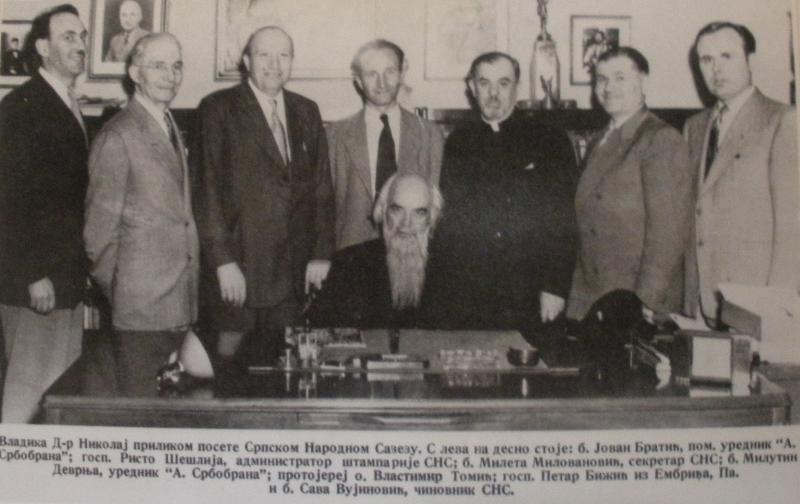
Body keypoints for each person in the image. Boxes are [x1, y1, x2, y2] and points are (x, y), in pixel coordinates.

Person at [192, 26, 334, 365]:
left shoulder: (307, 111)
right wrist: (223, 262)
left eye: (283, 55)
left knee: (284, 369)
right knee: (234, 371)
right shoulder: (217, 109)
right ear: (246, 61)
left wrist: (321, 253)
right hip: (239, 275)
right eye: (264, 55)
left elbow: (322, 190)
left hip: (293, 278)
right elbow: (206, 191)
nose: (274, 64)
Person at [84, 33, 199, 395]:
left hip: (180, 305)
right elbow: (98, 238)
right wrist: (128, 297)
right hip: (141, 315)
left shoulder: (168, 124)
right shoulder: (118, 136)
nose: (170, 75)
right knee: (144, 410)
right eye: (158, 66)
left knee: (174, 413)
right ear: (135, 73)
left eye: (176, 66)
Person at [433, 51, 578, 332]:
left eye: (503, 83)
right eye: (484, 83)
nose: (493, 94)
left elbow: (564, 220)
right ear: (472, 87)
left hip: (531, 289)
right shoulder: (458, 142)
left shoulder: (550, 139)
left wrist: (555, 287)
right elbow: (450, 221)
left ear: (517, 87)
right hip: (471, 289)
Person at [0, 4, 89, 422]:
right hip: (36, 287)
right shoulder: (22, 106)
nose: (81, 45)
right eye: (69, 37)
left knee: (56, 395)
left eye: (83, 36)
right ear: (42, 48)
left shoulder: (66, 102)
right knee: (26, 398)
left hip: (65, 280)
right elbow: (8, 199)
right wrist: (32, 273)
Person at [684, 22, 799, 323]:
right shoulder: (694, 127)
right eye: (706, 60)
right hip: (703, 303)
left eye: (727, 56)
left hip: (753, 302)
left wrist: (774, 307)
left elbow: (792, 228)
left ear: (751, 61)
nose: (716, 69)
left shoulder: (782, 120)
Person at [567, 47, 691, 319]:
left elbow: (668, 234)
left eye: (620, 77)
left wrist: (645, 302)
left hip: (632, 301)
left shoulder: (659, 139)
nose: (609, 87)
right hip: (595, 295)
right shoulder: (601, 139)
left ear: (643, 82)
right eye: (601, 79)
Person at [327, 39, 444, 251]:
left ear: (402, 73)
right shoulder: (335, 135)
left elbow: (435, 209)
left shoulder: (430, 134)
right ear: (358, 80)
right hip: (352, 253)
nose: (382, 83)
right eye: (372, 74)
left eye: (389, 72)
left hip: (411, 252)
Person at [309, 173, 443, 328]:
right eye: (397, 210)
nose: (406, 223)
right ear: (382, 211)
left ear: (431, 218)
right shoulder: (349, 263)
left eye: (419, 212)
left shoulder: (452, 269)